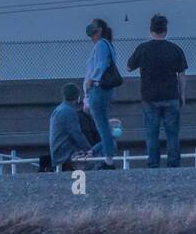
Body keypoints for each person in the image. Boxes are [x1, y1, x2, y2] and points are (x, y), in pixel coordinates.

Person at [126, 14, 188, 168]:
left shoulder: (143, 49)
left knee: (151, 133)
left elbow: (128, 67)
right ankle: (173, 162)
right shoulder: (175, 49)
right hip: (171, 96)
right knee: (172, 133)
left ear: (151, 30)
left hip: (150, 97)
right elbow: (182, 75)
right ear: (165, 30)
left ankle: (153, 163)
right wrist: (182, 94)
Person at [81, 18, 118, 170]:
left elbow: (100, 65)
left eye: (93, 33)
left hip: (98, 89)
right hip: (103, 91)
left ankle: (109, 160)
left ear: (99, 31)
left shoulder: (101, 45)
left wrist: (91, 80)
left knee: (102, 126)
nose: (91, 37)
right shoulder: (108, 45)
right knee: (103, 126)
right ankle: (107, 157)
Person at [49, 83, 92, 171]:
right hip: (65, 151)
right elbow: (77, 134)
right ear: (78, 97)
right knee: (92, 163)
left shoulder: (58, 109)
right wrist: (89, 149)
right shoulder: (69, 112)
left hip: (57, 150)